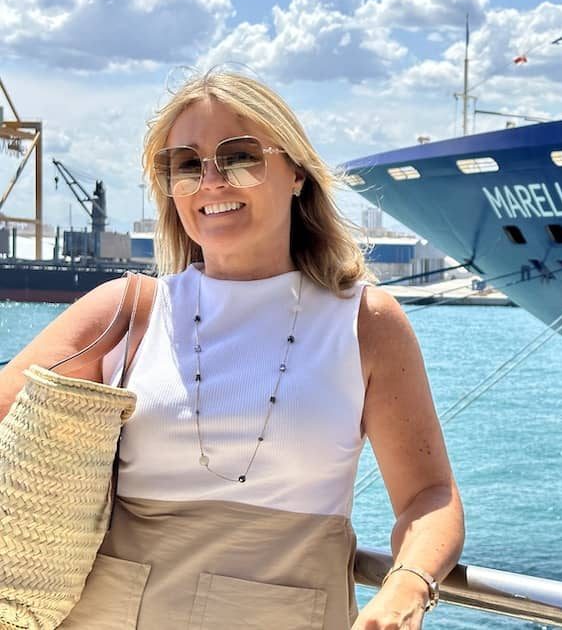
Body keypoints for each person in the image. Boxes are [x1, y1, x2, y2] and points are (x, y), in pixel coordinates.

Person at [0, 69, 464, 629]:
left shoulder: (365, 323)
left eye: (239, 157)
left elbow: (429, 495)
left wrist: (406, 588)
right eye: (185, 165)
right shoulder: (126, 311)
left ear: (296, 173)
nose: (211, 181)